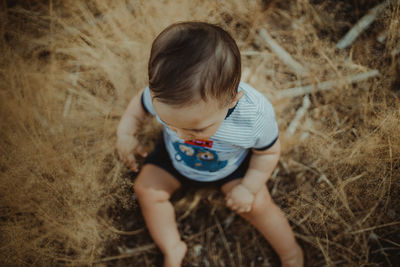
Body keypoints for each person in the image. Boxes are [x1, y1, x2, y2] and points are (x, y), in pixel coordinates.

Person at [116, 21, 303, 267]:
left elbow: (268, 152)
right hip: (175, 159)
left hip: (230, 167)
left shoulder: (253, 117)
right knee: (146, 189)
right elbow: (138, 107)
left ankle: (291, 253)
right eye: (170, 123)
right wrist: (126, 134)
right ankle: (172, 247)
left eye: (196, 129)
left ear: (232, 101)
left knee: (258, 204)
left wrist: (248, 187)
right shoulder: (164, 96)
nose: (182, 135)